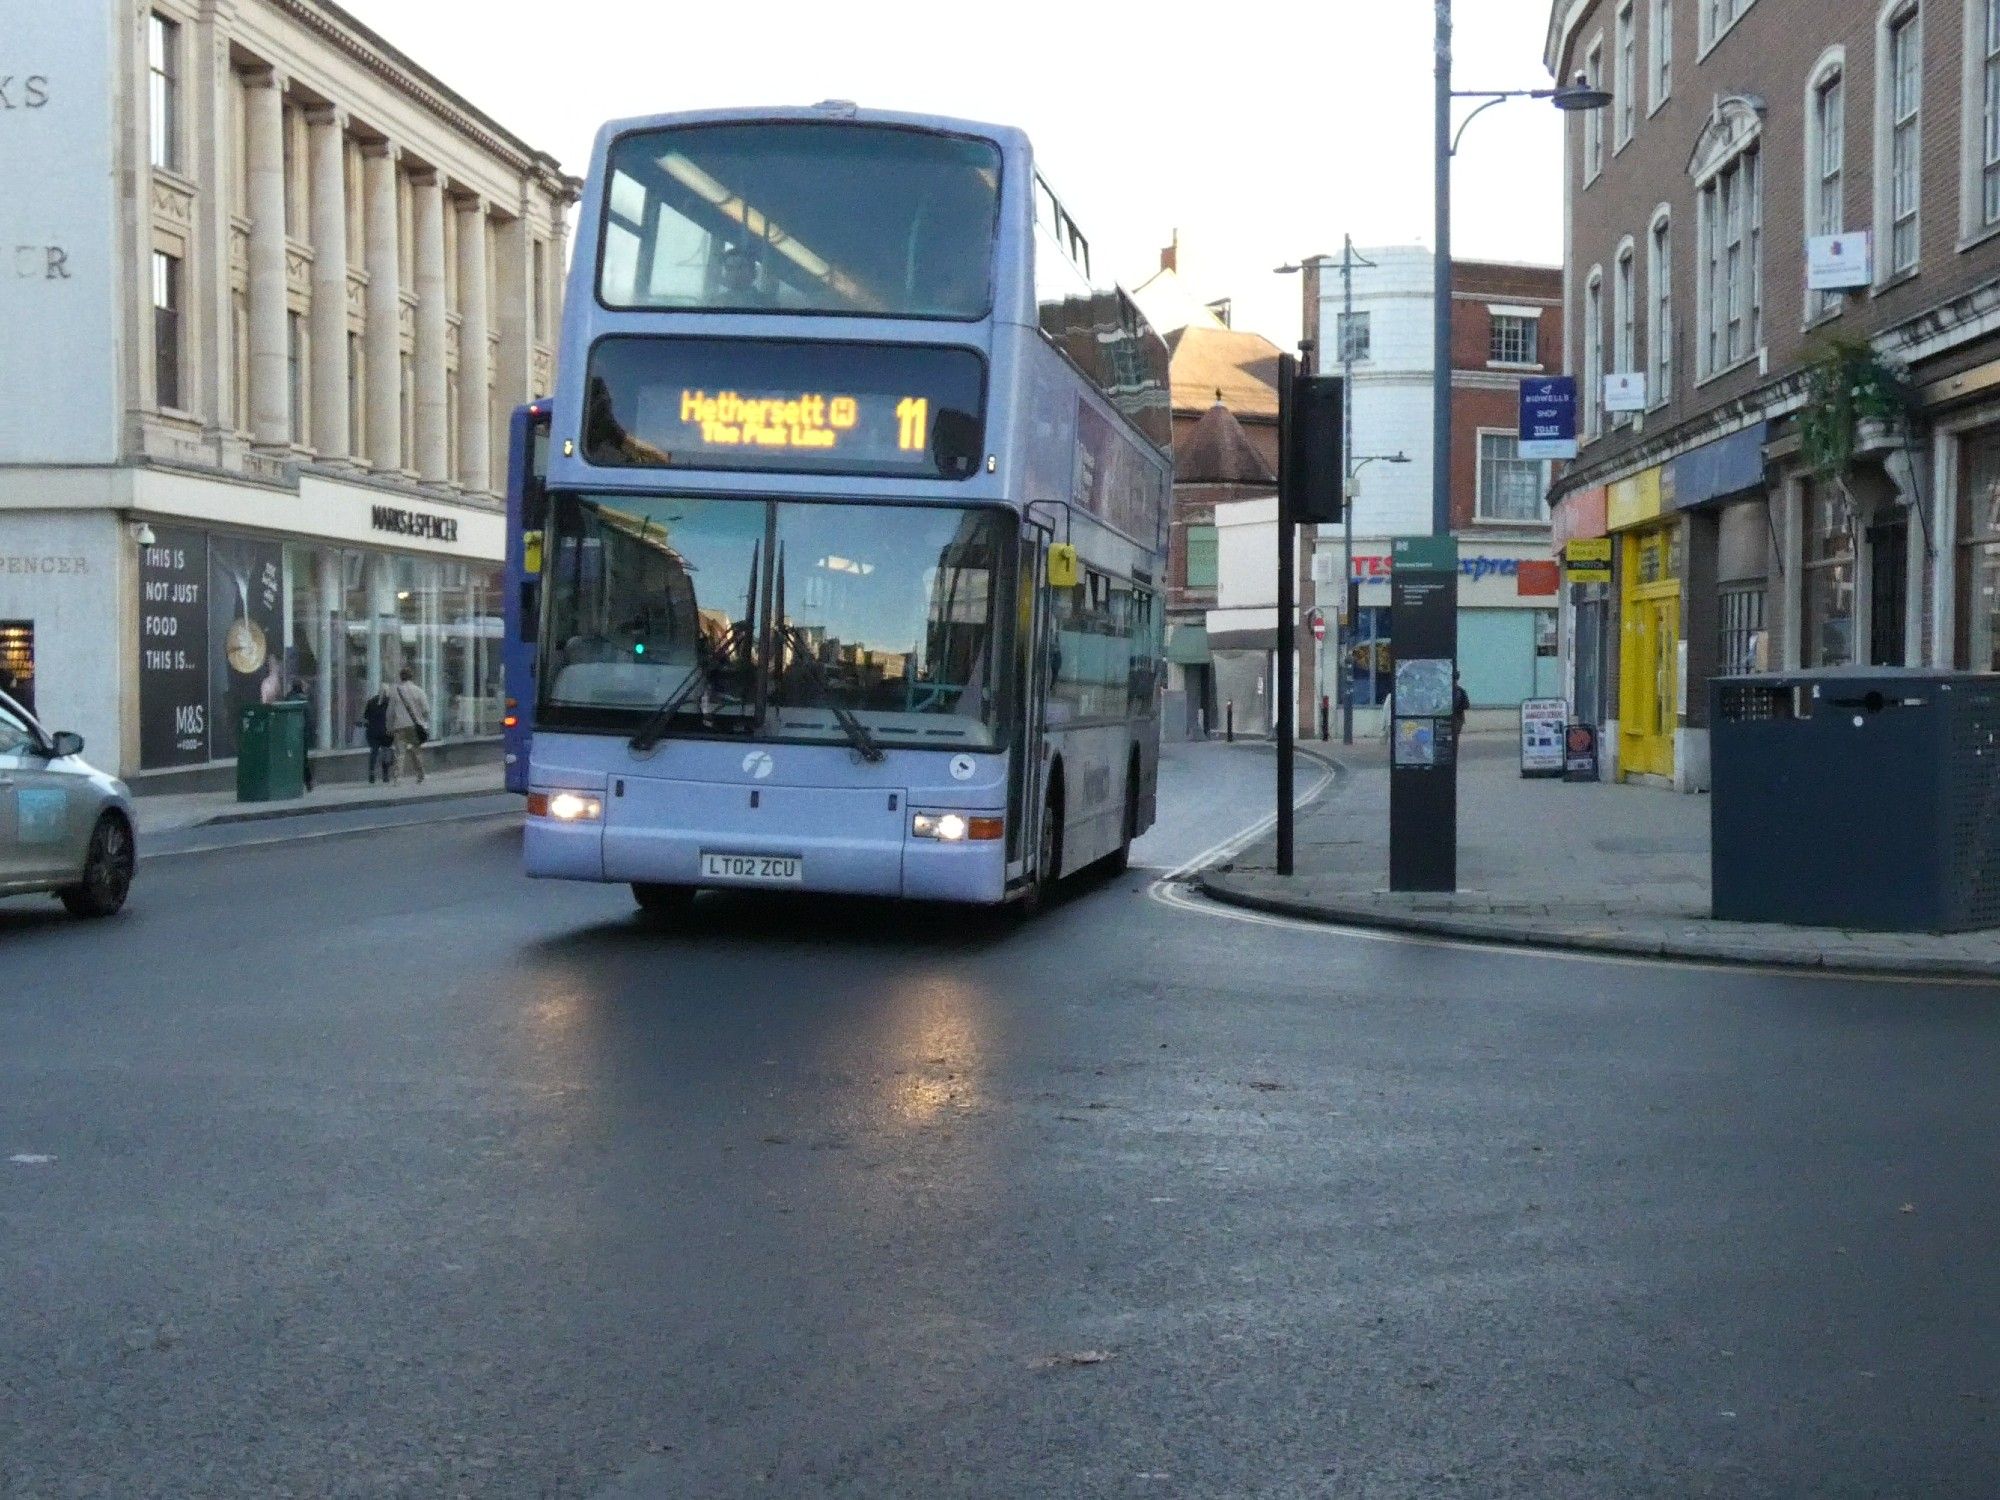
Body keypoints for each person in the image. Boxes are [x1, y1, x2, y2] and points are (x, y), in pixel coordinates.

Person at [386, 666, 432, 785]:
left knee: (399, 753)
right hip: (414, 726)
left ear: (401, 677)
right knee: (416, 751)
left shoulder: (395, 692)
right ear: (412, 677)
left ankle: (397, 778)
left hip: (399, 726)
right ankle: (420, 774)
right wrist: (423, 721)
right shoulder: (419, 690)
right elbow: (426, 710)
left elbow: (390, 712)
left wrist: (389, 727)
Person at [283, 677, 316, 792]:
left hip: (290, 735)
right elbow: (309, 722)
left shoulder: (287, 699)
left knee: (291, 759)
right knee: (303, 759)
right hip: (302, 736)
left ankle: (293, 782)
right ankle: (308, 781)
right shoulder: (304, 701)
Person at [360, 685, 394, 784]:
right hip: (386, 732)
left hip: (372, 731)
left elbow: (366, 716)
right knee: (385, 752)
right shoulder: (389, 702)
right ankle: (385, 775)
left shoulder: (371, 702)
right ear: (387, 691)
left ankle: (371, 773)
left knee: (374, 752)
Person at [1451, 672, 1470, 741]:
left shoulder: (1460, 691)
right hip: (1457, 718)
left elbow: (1466, 705)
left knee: (1454, 738)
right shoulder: (1460, 691)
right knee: (1455, 738)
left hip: (1457, 718)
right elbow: (1467, 705)